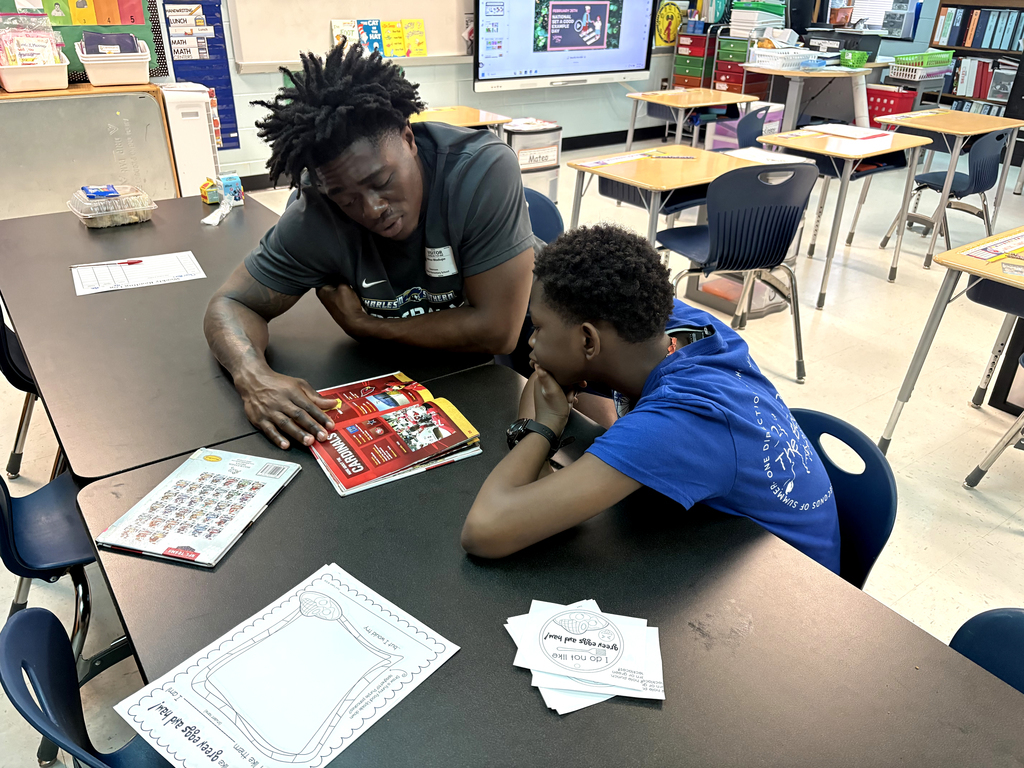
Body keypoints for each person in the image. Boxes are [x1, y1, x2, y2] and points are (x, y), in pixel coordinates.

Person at [204, 41, 535, 451]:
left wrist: (369, 327)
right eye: (346, 197)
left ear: (409, 138)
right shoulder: (316, 213)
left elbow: (497, 332)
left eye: (381, 182)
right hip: (414, 378)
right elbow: (231, 304)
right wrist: (253, 376)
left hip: (519, 356)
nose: (372, 208)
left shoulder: (480, 171)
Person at [461, 224, 841, 573]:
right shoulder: (669, 325)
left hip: (791, 596)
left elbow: (484, 531)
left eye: (539, 328)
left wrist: (540, 429)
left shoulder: (679, 421)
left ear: (589, 341)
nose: (531, 341)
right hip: (725, 551)